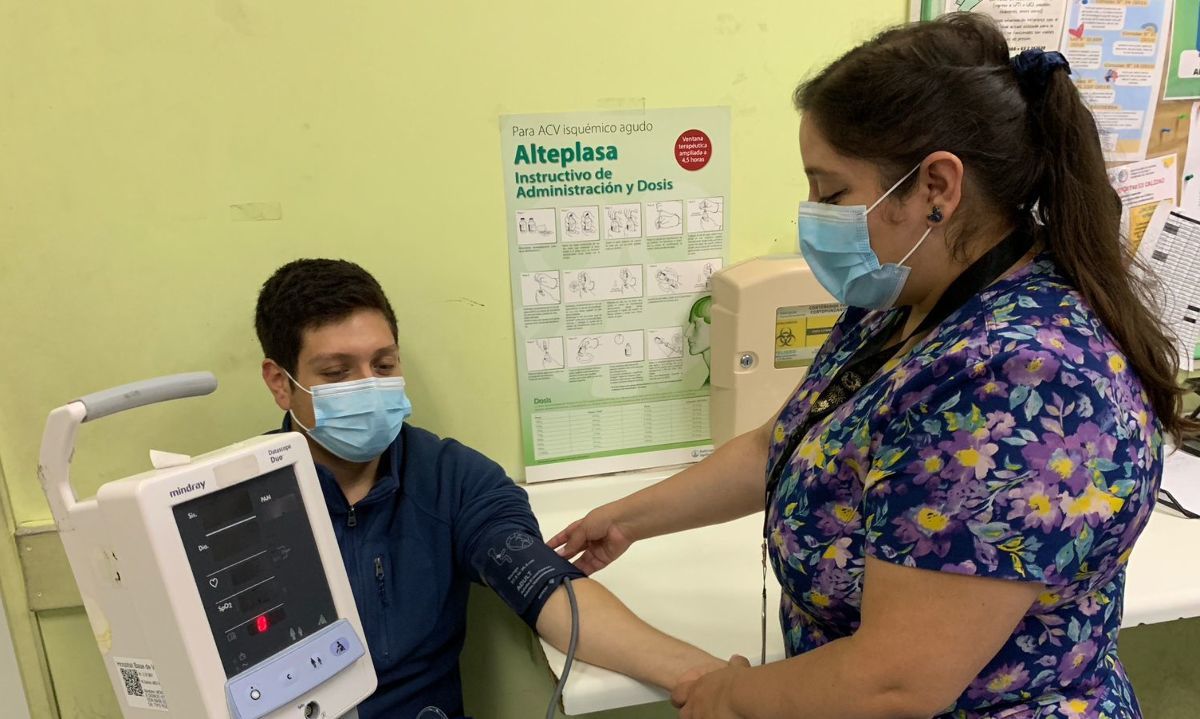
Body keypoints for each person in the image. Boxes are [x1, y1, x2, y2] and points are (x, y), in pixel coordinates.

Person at [550, 15, 1198, 719]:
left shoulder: (1026, 377)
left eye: (830, 193)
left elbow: (894, 682)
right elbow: (787, 441)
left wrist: (733, 695)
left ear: (936, 187)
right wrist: (627, 518)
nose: (812, 215)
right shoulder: (904, 294)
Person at [254, 259, 722, 719]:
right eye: (337, 374)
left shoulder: (450, 479)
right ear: (281, 383)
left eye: (383, 364)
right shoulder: (233, 500)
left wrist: (704, 678)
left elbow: (549, 590)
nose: (368, 388)